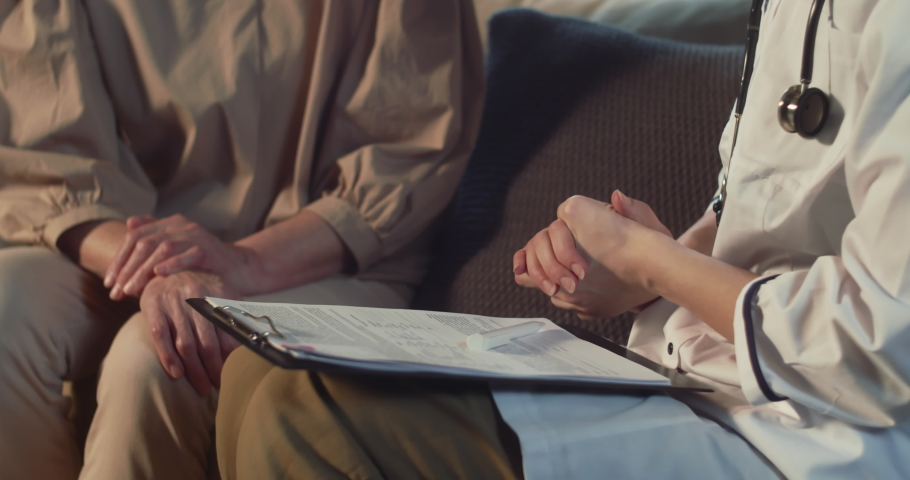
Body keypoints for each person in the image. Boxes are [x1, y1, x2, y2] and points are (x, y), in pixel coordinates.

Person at [213, 0, 910, 478]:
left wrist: (652, 262)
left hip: (825, 442)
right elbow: (761, 217)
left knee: (309, 410)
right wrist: (642, 281)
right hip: (717, 384)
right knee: (263, 368)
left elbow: (880, 342)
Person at [0, 0, 483, 479]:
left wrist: (241, 262)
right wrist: (166, 265)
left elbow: (408, 151)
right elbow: (47, 155)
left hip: (328, 252)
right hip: (140, 235)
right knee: (8, 306)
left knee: (158, 355)